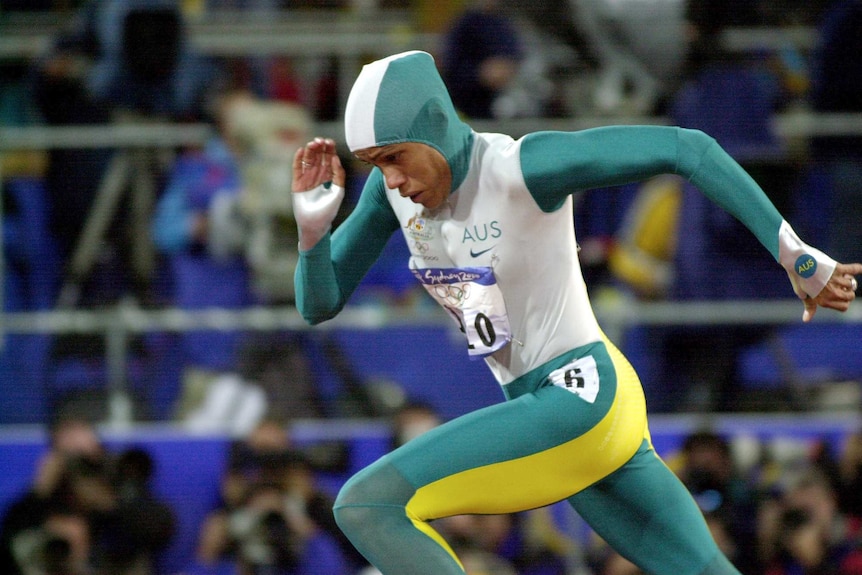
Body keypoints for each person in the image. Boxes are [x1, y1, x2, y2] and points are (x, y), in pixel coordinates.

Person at [288, 50, 862, 575]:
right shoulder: (390, 195)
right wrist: (313, 235)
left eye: (395, 157)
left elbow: (688, 148)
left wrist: (795, 254)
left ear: (434, 127)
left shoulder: (521, 168)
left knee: (367, 503)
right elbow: (318, 302)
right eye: (373, 164)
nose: (391, 179)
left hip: (578, 396)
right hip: (576, 415)